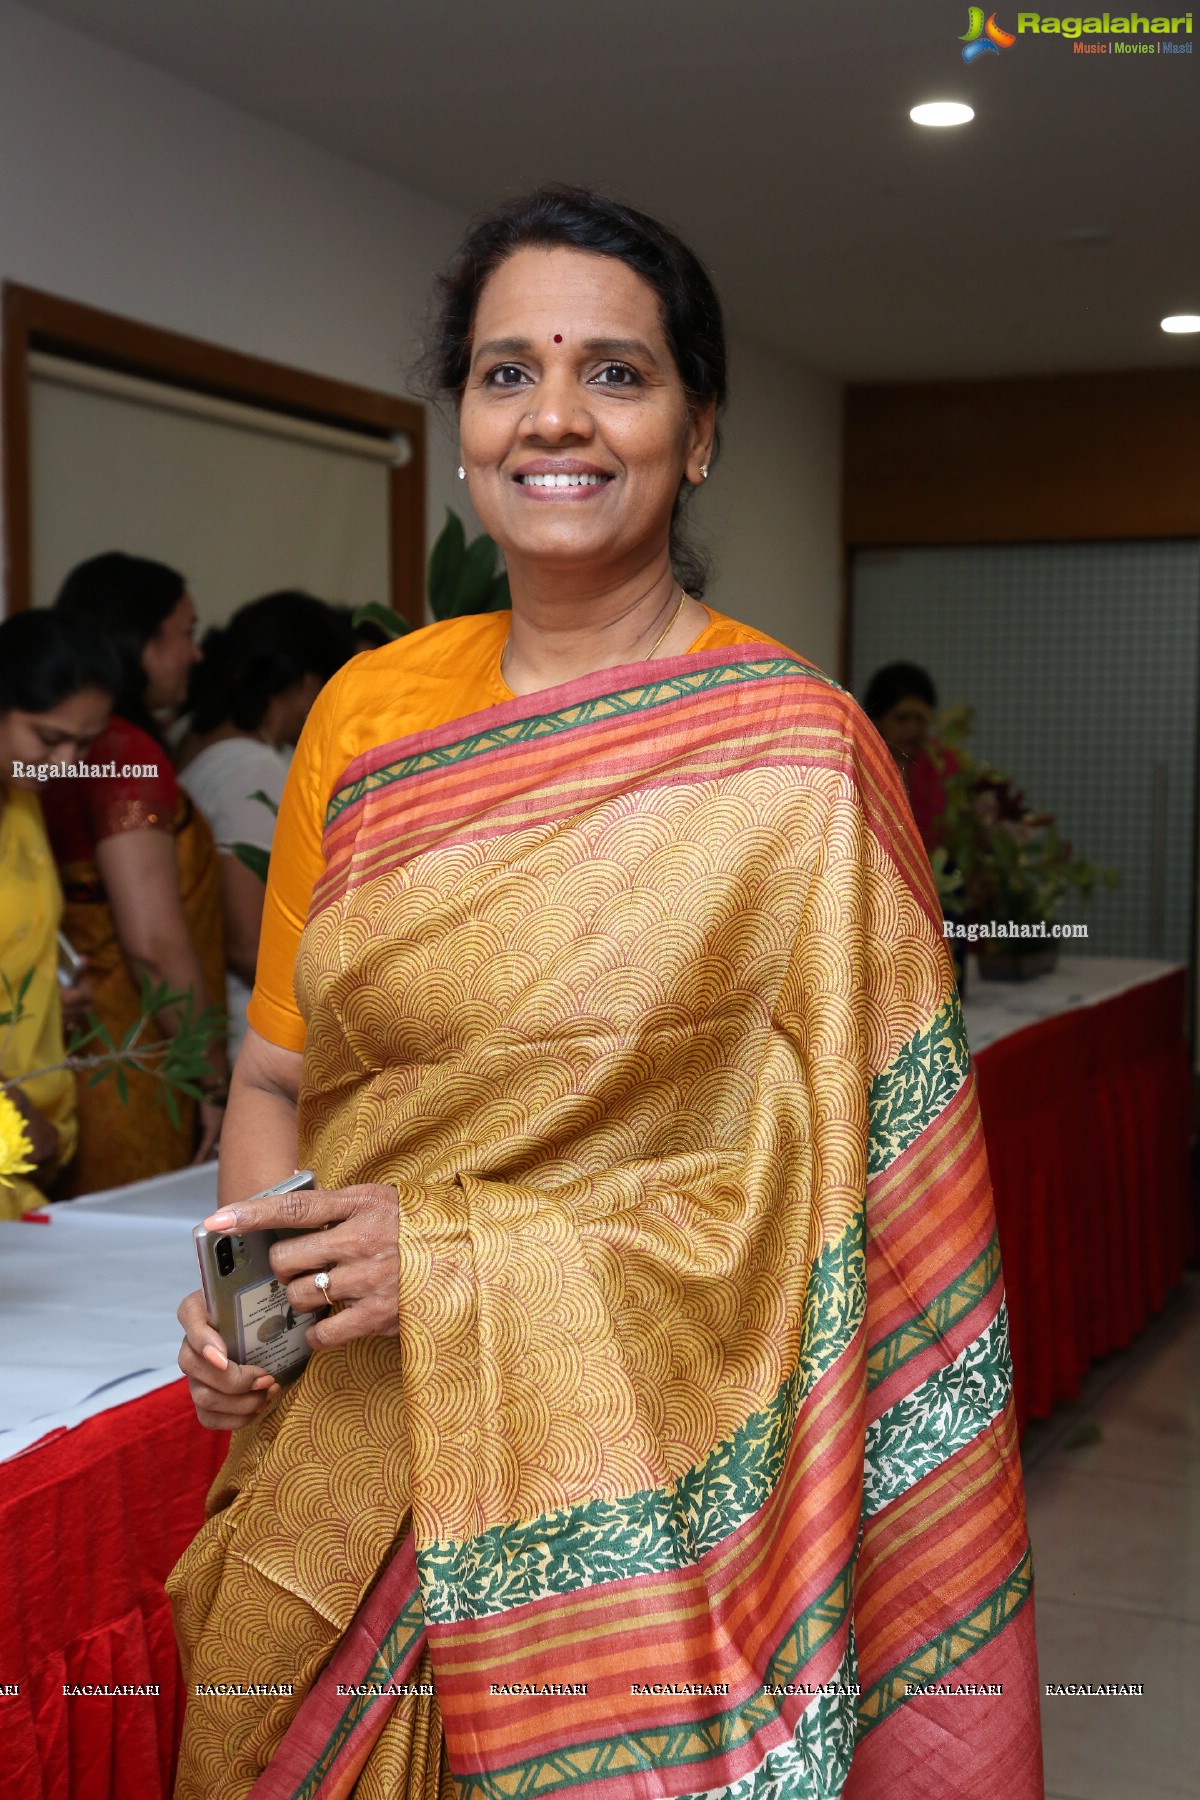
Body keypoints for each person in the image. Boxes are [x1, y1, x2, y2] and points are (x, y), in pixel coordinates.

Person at [170, 187, 1042, 1800]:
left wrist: (459, 1262)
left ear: (698, 432)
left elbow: (845, 1213)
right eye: (507, 372)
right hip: (347, 1466)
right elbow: (282, 1081)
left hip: (650, 1511)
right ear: (464, 423)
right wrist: (251, 1319)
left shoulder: (797, 760)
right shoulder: (367, 721)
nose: (554, 415)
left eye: (616, 375)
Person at [42, 553, 229, 1193]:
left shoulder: (45, 758)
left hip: (62, 1062)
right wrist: (208, 1075)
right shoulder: (122, 755)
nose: (195, 655)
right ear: (140, 642)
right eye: (186, 633)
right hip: (134, 1065)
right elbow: (152, 945)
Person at [179, 593, 355, 1057]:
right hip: (253, 1029)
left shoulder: (200, 742)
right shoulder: (249, 767)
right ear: (308, 683)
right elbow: (245, 941)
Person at [0, 611, 115, 1217]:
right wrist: (12, 1113)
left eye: (84, 743)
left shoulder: (21, 796)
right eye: (48, 739)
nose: (68, 762)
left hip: (30, 1146)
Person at [863, 660, 959, 854]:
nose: (912, 729)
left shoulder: (944, 765)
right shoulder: (861, 764)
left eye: (920, 719)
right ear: (876, 721)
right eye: (902, 718)